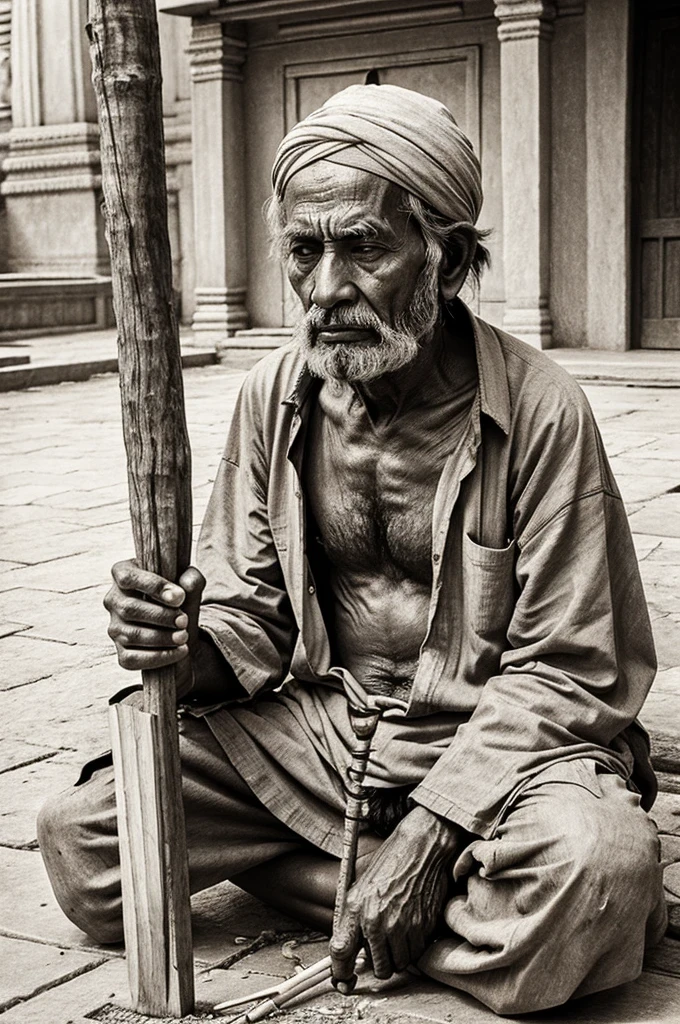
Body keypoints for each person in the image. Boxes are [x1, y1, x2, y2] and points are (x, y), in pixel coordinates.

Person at [38, 84, 667, 1016]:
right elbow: (247, 621)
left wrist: (435, 825)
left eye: (364, 247)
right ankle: (386, 902)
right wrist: (179, 637)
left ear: (445, 258)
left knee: (597, 870)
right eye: (303, 249)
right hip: (324, 736)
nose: (326, 289)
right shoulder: (272, 398)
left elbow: (569, 672)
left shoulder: (540, 411)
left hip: (496, 747)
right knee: (87, 843)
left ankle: (365, 884)